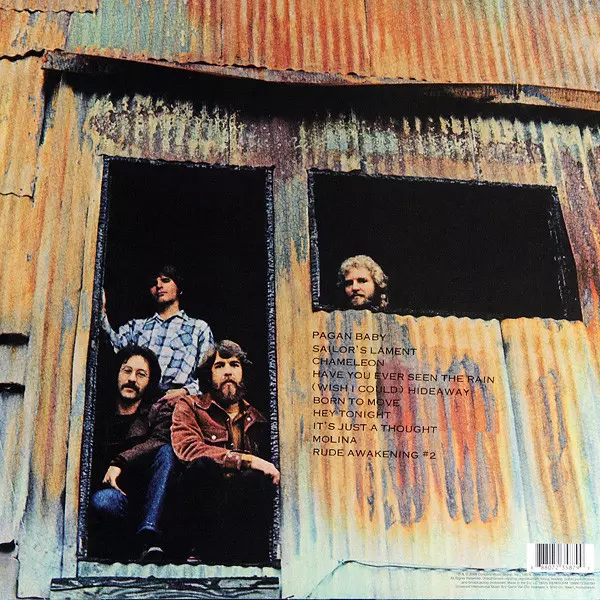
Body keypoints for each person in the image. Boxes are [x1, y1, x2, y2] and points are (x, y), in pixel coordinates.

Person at [171, 340, 279, 564]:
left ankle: (247, 558)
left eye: (234, 365)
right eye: (219, 366)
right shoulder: (190, 406)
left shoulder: (258, 420)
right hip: (200, 516)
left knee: (254, 480)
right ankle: (194, 552)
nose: (227, 371)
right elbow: (188, 448)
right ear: (209, 374)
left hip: (236, 522)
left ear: (243, 372)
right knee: (203, 467)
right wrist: (247, 460)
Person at [89, 345, 178, 563]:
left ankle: (149, 537)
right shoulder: (97, 412)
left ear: (149, 382)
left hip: (149, 504)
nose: (132, 379)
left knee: (166, 452)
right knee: (104, 501)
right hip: (116, 503)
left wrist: (120, 461)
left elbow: (161, 439)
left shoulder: (158, 410)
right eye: (127, 371)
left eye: (141, 374)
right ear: (117, 374)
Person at [102, 265, 213, 398]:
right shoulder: (136, 326)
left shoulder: (198, 328)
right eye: (154, 283)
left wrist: (186, 391)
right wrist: (101, 311)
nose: (159, 286)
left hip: (180, 401)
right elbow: (113, 345)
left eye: (165, 280)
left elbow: (208, 373)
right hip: (141, 399)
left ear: (180, 288)